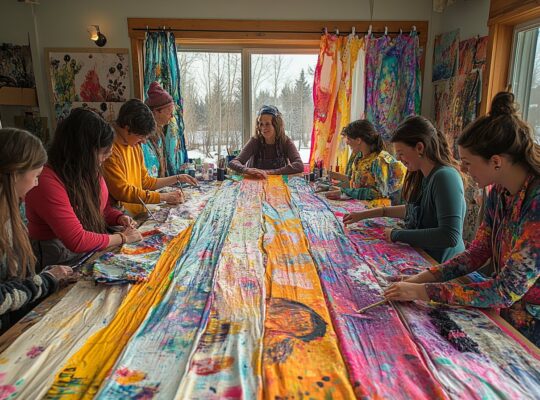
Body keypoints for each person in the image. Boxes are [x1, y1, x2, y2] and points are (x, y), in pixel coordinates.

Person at [384, 92, 540, 346]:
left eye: (467, 163)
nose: (463, 170)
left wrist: (423, 292)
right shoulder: (499, 192)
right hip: (510, 311)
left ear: (496, 162)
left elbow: (506, 289)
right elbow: (476, 253)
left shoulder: (536, 202)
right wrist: (423, 277)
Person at [25, 108, 143, 268]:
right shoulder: (45, 181)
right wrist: (122, 238)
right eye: (101, 154)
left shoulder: (86, 169)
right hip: (60, 260)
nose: (104, 159)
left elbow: (102, 209)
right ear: (81, 152)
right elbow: (76, 240)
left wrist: (118, 217)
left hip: (89, 250)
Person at [344, 116, 466, 263]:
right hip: (426, 255)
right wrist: (364, 215)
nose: (399, 159)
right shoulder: (423, 175)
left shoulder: (445, 177)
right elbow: (414, 210)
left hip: (442, 263)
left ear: (419, 148)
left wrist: (397, 234)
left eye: (401, 153)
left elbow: (449, 236)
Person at [0, 128, 74, 333]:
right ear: (15, 174)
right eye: (36, 176)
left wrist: (43, 280)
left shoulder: (11, 212)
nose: (37, 183)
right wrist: (45, 281)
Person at [102, 99, 197, 215]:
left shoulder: (133, 144)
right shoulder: (109, 150)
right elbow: (122, 191)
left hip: (137, 213)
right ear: (127, 129)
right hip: (121, 218)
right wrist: (163, 197)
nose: (143, 142)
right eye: (141, 136)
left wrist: (177, 178)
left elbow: (146, 182)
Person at [325, 119, 406, 204]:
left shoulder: (379, 160)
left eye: (348, 139)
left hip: (378, 210)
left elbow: (378, 193)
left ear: (358, 140)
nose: (347, 143)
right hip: (359, 205)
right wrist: (330, 187)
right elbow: (354, 183)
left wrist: (345, 191)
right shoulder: (357, 157)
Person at [228, 105, 304, 178]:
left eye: (267, 124)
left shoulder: (285, 142)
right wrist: (247, 170)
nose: (263, 128)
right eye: (261, 124)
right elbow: (233, 162)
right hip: (255, 184)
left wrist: (270, 172)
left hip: (278, 186)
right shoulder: (254, 141)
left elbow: (299, 165)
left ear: (276, 125)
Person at [141, 81, 175, 178]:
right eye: (169, 112)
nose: (172, 116)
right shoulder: (142, 137)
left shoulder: (160, 133)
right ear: (156, 112)